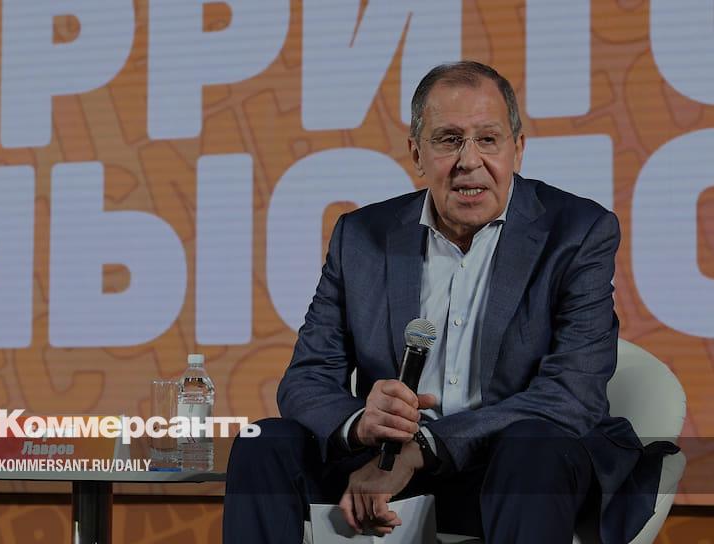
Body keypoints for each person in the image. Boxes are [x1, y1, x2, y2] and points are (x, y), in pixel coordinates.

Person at [223, 61, 678, 543]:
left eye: (488, 139)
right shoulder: (361, 237)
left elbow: (571, 395)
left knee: (532, 446)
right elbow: (307, 377)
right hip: (385, 463)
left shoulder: (577, 231)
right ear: (416, 153)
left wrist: (425, 446)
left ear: (518, 149)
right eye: (448, 139)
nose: (469, 160)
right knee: (264, 441)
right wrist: (361, 425)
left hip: (510, 465)